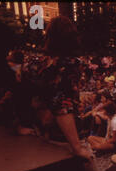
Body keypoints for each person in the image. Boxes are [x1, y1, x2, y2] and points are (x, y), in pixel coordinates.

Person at [38, 16, 92, 160]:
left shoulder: (39, 63)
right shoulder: (70, 64)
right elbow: (61, 104)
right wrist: (77, 147)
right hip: (67, 138)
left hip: (43, 136)